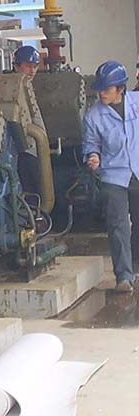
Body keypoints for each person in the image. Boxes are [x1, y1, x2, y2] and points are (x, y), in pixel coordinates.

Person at [83, 61, 139, 293]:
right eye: (100, 89)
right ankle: (124, 276)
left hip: (138, 171)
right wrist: (93, 156)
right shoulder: (94, 116)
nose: (102, 93)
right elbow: (91, 143)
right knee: (118, 226)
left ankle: (135, 265)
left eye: (106, 89)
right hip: (114, 176)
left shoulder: (137, 104)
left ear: (121, 89)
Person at [12, 46, 47, 226]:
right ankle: (30, 221)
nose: (32, 70)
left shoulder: (27, 87)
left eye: (35, 66)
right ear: (16, 66)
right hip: (22, 150)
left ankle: (34, 220)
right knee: (29, 186)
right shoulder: (10, 87)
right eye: (28, 66)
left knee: (36, 187)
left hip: (33, 147)